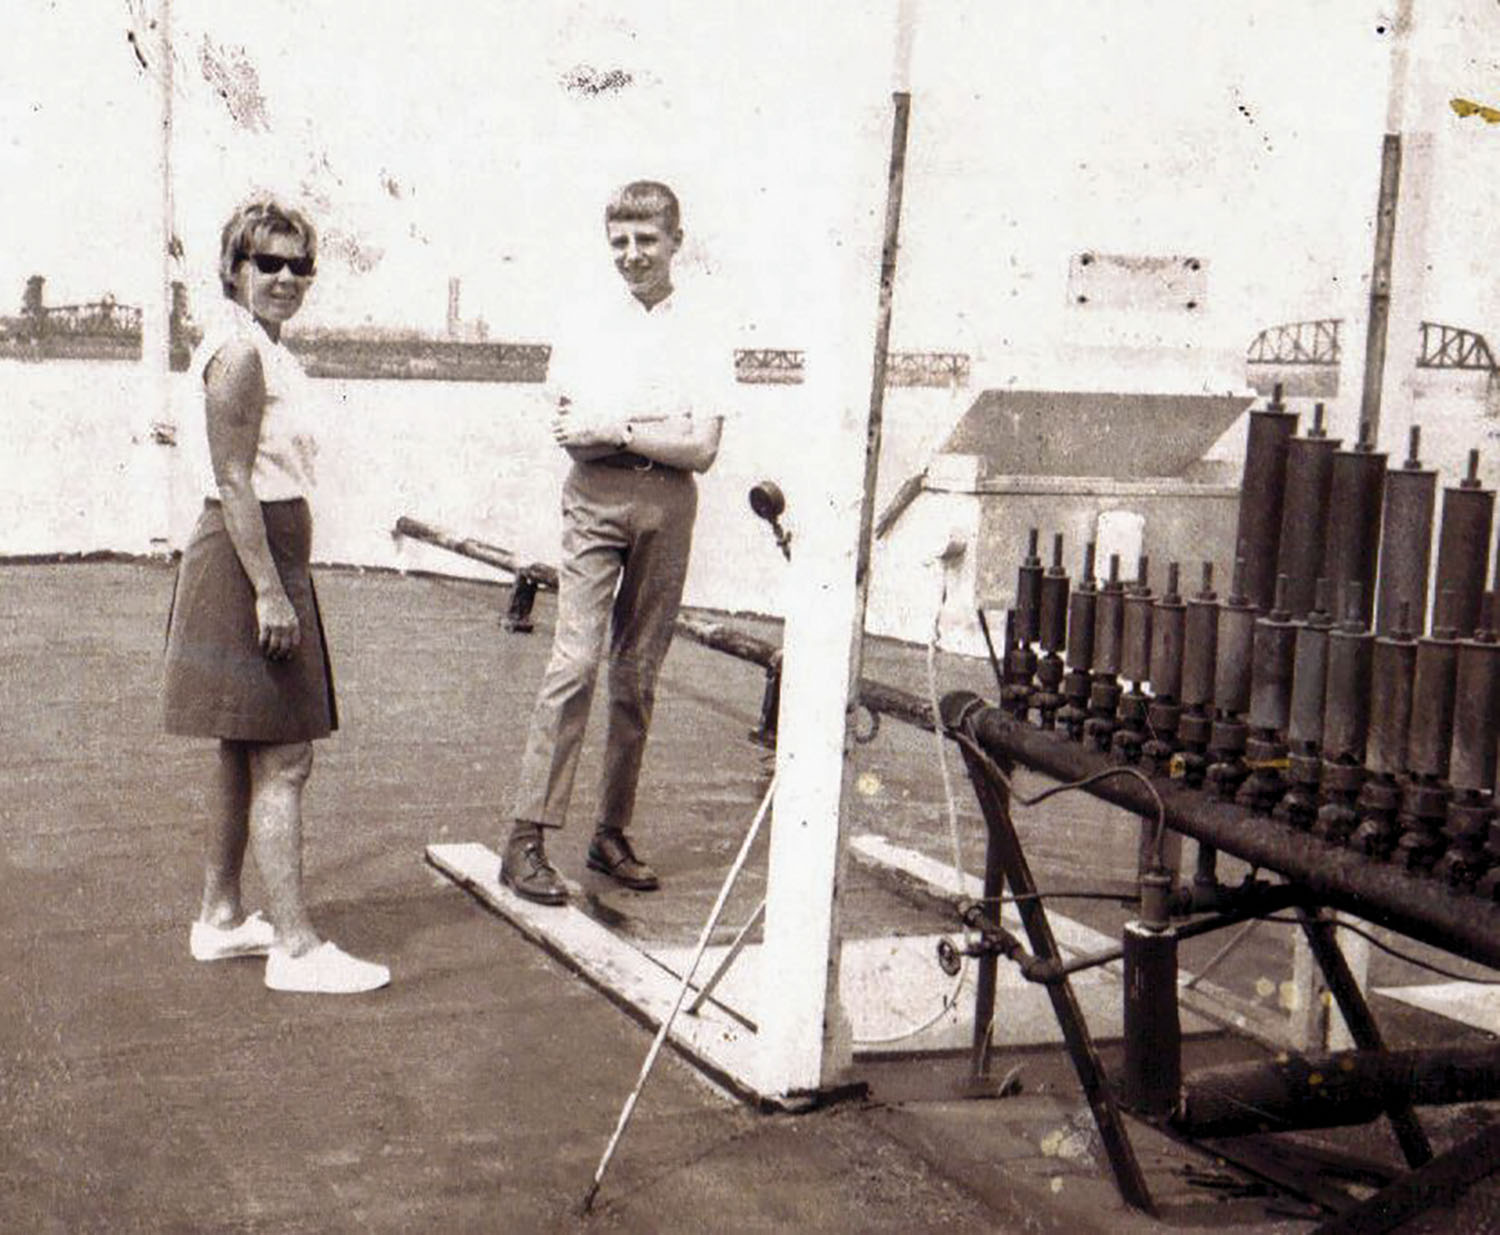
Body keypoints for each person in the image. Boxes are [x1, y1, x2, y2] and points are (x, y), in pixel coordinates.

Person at [163, 198, 389, 993]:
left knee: (241, 746)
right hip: (248, 555)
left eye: (300, 265)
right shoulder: (240, 355)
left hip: (263, 548)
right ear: (235, 268)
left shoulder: (258, 346)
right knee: (286, 757)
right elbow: (233, 479)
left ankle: (220, 917)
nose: (287, 278)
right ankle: (296, 948)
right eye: (269, 263)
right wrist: (270, 592)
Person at [502, 179, 729, 905]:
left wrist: (624, 427)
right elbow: (575, 434)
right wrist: (648, 428)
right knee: (573, 662)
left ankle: (610, 830)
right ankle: (526, 837)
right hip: (596, 501)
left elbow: (702, 449)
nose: (632, 256)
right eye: (620, 243)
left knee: (636, 674)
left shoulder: (706, 326)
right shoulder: (584, 320)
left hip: (668, 506)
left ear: (676, 242)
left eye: (646, 241)